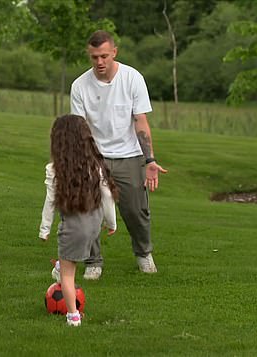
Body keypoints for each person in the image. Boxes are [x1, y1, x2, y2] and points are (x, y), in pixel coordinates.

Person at [70, 30, 167, 280]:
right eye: (94, 57)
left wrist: (150, 159)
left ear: (114, 52)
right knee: (89, 210)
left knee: (136, 211)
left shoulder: (132, 78)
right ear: (88, 55)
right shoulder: (79, 86)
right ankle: (93, 262)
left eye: (104, 56)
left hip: (129, 156)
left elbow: (140, 121)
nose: (99, 62)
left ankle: (144, 254)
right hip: (95, 157)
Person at [38, 114, 117, 327]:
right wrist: (111, 223)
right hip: (94, 226)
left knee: (67, 274)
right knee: (69, 253)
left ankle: (73, 316)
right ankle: (58, 267)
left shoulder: (54, 169)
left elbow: (50, 201)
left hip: (73, 228)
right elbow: (108, 196)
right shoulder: (95, 166)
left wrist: (44, 229)